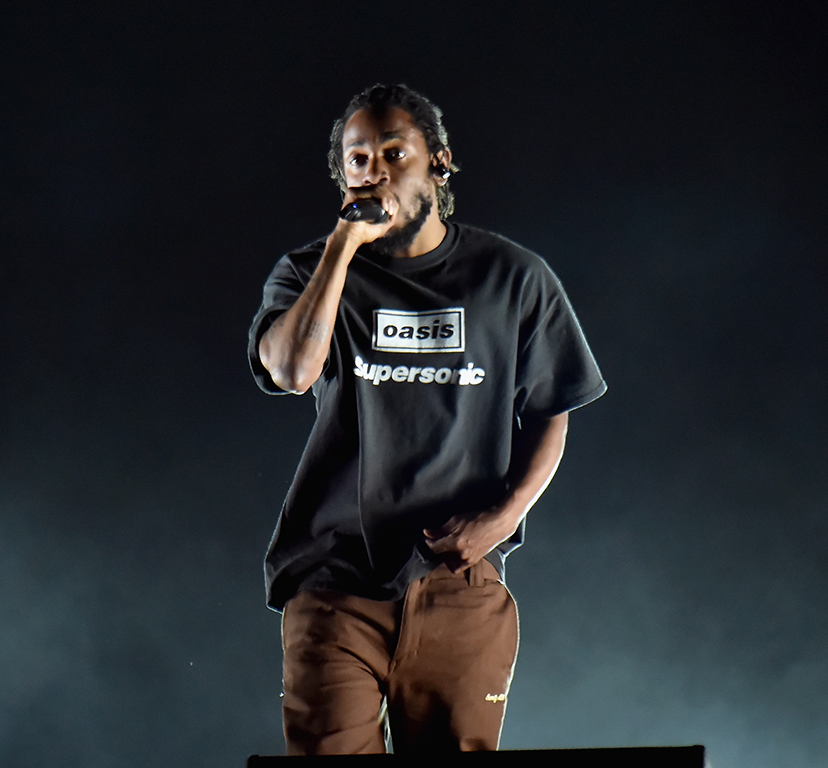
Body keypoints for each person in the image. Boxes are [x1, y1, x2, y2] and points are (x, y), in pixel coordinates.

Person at [248, 83, 606, 755]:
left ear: (438, 161)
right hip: (334, 582)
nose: (375, 171)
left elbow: (553, 409)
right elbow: (291, 370)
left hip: (458, 586)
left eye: (393, 151)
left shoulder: (513, 277)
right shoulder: (307, 272)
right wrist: (342, 248)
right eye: (358, 159)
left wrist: (501, 520)